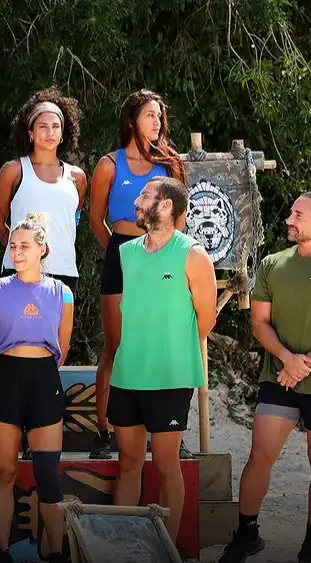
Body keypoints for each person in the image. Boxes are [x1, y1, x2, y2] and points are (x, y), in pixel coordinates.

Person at [216, 192, 311, 563]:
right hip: (278, 375)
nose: (289, 219)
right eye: (292, 213)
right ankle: (247, 534)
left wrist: (303, 364)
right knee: (259, 455)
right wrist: (287, 359)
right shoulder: (272, 264)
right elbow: (260, 323)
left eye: (299, 214)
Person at [108, 177, 216, 547]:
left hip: (171, 376)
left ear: (166, 205)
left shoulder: (193, 255)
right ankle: (124, 546)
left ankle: (168, 549)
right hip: (127, 374)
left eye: (144, 195)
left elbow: (206, 319)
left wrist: (172, 347)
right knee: (128, 462)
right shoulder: (126, 252)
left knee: (166, 463)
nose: (136, 201)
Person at [88, 89, 190, 461]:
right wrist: (122, 253)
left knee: (161, 344)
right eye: (150, 115)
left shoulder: (170, 164)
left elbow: (180, 219)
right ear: (132, 121)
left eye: (160, 116)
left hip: (162, 257)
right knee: (115, 347)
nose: (157, 122)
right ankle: (103, 432)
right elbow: (97, 219)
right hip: (121, 254)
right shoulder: (109, 165)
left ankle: (166, 432)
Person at [0, 212, 74, 563]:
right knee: (5, 471)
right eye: (12, 246)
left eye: (24, 246)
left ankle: (57, 554)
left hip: (44, 381)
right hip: (7, 379)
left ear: (42, 249)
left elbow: (62, 348)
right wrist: (8, 371)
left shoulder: (62, 293)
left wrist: (38, 370)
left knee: (48, 474)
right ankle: (3, 553)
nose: (16, 252)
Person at [0, 88, 86, 294]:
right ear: (31, 133)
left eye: (55, 126)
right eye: (43, 126)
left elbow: (72, 221)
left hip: (65, 272)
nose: (50, 132)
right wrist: (22, 251)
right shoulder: (13, 171)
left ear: (63, 133)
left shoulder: (77, 177)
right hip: (19, 271)